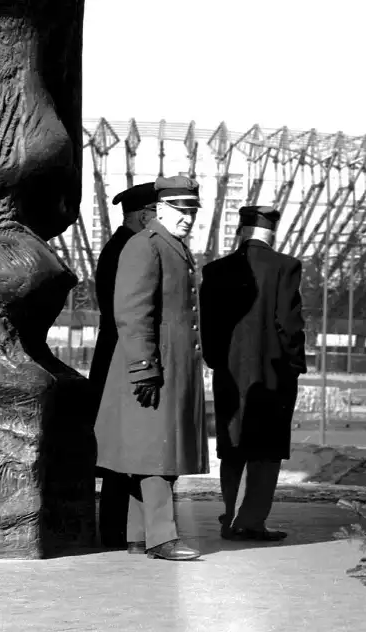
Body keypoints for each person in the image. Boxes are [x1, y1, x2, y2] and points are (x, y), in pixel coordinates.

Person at [94, 175, 209, 561]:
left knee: (150, 452)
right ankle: (163, 537)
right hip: (149, 368)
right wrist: (144, 367)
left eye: (193, 210)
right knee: (156, 454)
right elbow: (132, 312)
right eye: (181, 209)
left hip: (167, 367)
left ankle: (139, 534)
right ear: (159, 209)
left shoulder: (169, 245)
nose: (188, 218)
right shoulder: (144, 246)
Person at [199, 205, 307, 541]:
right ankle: (251, 521)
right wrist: (294, 366)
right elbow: (289, 325)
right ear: (272, 234)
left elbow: (208, 327)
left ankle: (229, 515)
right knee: (266, 448)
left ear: (240, 232)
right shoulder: (285, 267)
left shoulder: (214, 270)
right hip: (272, 375)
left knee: (232, 447)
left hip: (229, 375)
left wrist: (217, 362)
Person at [89, 182, 157, 550]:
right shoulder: (128, 249)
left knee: (122, 448)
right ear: (145, 213)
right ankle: (118, 532)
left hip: (117, 352)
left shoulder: (121, 245)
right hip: (123, 354)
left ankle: (122, 531)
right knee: (122, 449)